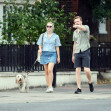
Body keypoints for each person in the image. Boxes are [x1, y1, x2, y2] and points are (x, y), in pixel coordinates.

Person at [72, 16, 94, 94]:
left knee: (86, 70)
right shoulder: (74, 32)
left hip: (85, 50)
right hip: (77, 51)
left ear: (81, 21)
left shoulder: (86, 28)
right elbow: (75, 43)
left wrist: (78, 26)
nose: (77, 23)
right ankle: (79, 88)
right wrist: (73, 55)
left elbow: (83, 28)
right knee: (77, 70)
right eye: (75, 22)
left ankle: (90, 82)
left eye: (78, 21)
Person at [37, 22, 61, 93]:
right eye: (47, 26)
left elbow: (57, 47)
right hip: (44, 53)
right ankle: (48, 86)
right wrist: (40, 49)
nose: (49, 28)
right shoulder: (42, 35)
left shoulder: (56, 36)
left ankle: (50, 86)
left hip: (52, 54)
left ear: (52, 27)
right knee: (46, 71)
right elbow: (39, 44)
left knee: (50, 70)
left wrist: (58, 57)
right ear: (46, 27)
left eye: (50, 26)